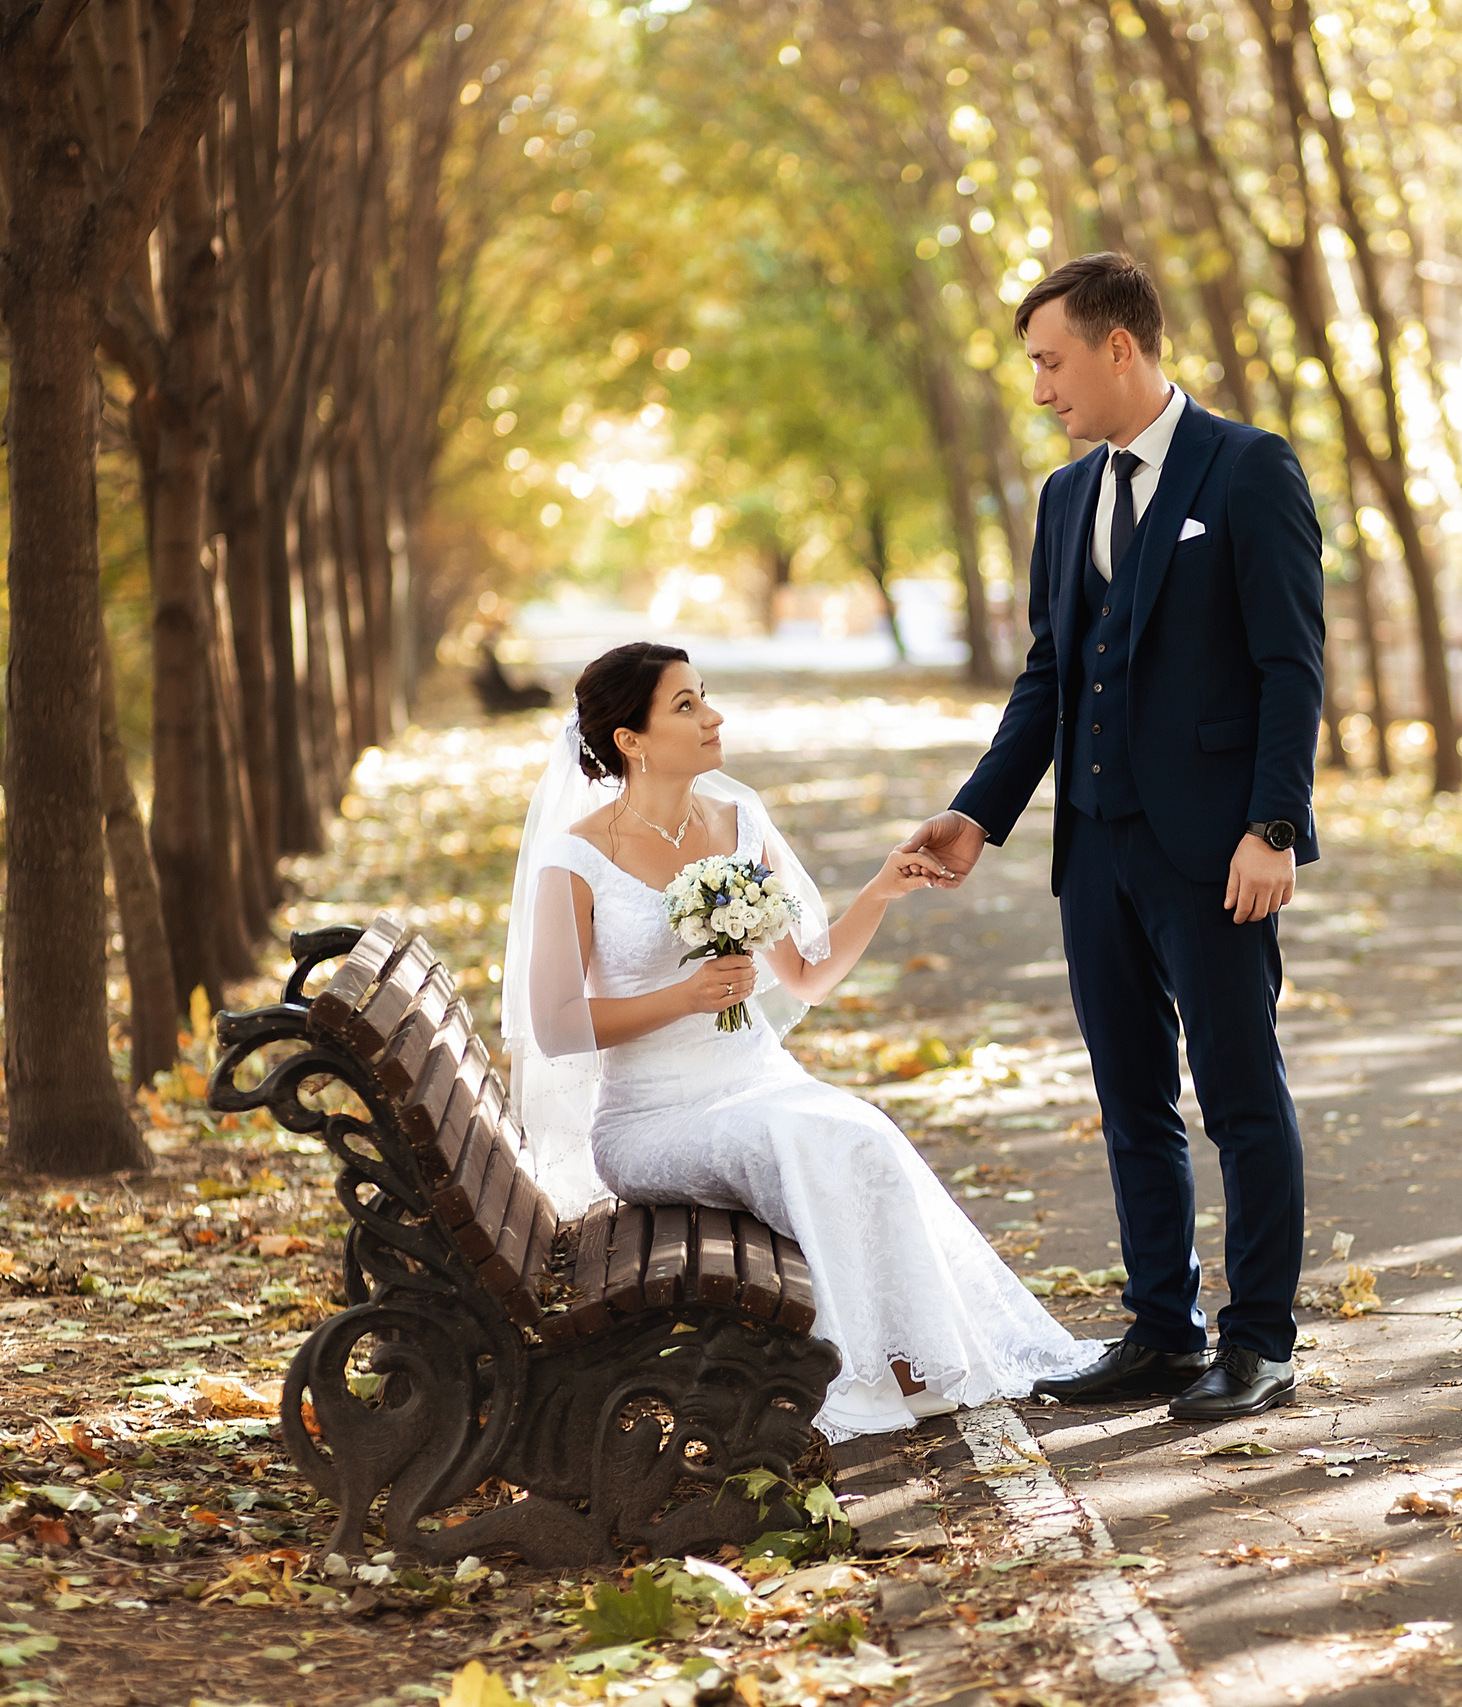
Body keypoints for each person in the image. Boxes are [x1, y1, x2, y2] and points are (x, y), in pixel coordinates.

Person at [898, 253, 1325, 1423]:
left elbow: (1292, 668)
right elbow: (1049, 675)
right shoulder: (1062, 498)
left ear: (1117, 348)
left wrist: (1272, 826)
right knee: (1129, 1096)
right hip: (1095, 849)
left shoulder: (1248, 470)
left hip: (1215, 852)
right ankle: (1161, 1330)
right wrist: (980, 811)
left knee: (1239, 1094)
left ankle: (1262, 1342)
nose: (1042, 390)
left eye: (1050, 361)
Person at [501, 640, 1100, 1440]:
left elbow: (807, 977)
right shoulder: (577, 856)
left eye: (706, 695)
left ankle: (916, 1360)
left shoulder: (738, 821)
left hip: (758, 1080)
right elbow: (556, 1024)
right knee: (801, 1136)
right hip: (651, 1118)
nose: (713, 716)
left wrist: (882, 889)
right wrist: (681, 996)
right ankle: (853, 1371)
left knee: (861, 1132)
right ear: (629, 740)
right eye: (685, 705)